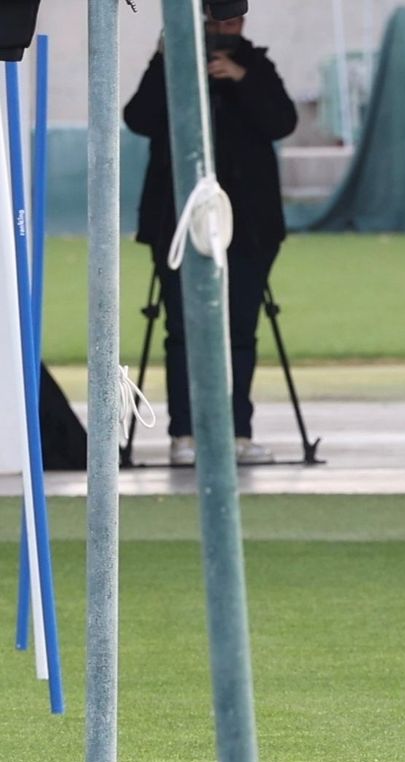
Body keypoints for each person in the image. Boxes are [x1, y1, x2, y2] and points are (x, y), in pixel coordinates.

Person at [124, 10, 297, 466]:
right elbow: (139, 118)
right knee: (182, 330)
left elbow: (281, 122)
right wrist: (167, 65)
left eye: (233, 23)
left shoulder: (255, 65)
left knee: (240, 328)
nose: (224, 33)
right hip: (177, 221)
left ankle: (237, 432)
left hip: (249, 225)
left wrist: (241, 79)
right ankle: (184, 433)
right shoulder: (172, 64)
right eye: (216, 24)